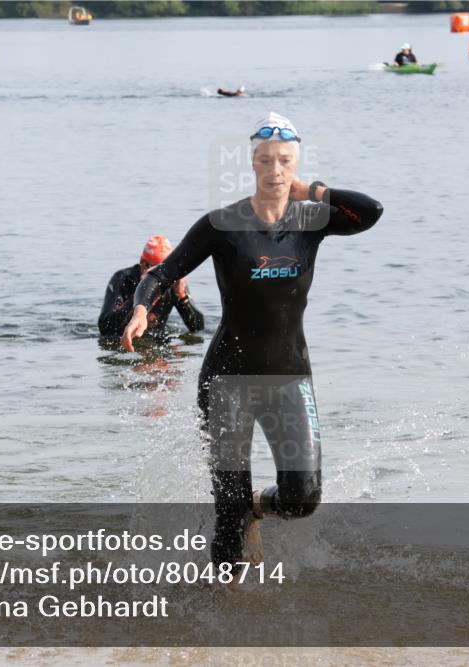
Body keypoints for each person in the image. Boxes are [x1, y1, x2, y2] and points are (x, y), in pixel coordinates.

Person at [121, 113, 383, 583]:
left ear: (295, 164)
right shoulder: (223, 225)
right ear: (252, 163)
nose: (275, 169)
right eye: (266, 160)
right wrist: (141, 308)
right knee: (228, 509)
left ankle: (257, 509)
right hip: (228, 381)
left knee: (302, 499)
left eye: (284, 160)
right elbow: (162, 274)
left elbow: (370, 211)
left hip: (289, 377)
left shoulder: (312, 221)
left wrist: (312, 191)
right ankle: (225, 605)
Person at [99, 235, 204, 341]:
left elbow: (198, 328)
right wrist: (142, 291)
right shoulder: (123, 279)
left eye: (166, 271)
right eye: (157, 271)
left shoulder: (173, 282)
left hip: (157, 341)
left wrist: (182, 295)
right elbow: (105, 328)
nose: (161, 278)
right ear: (143, 263)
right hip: (123, 339)